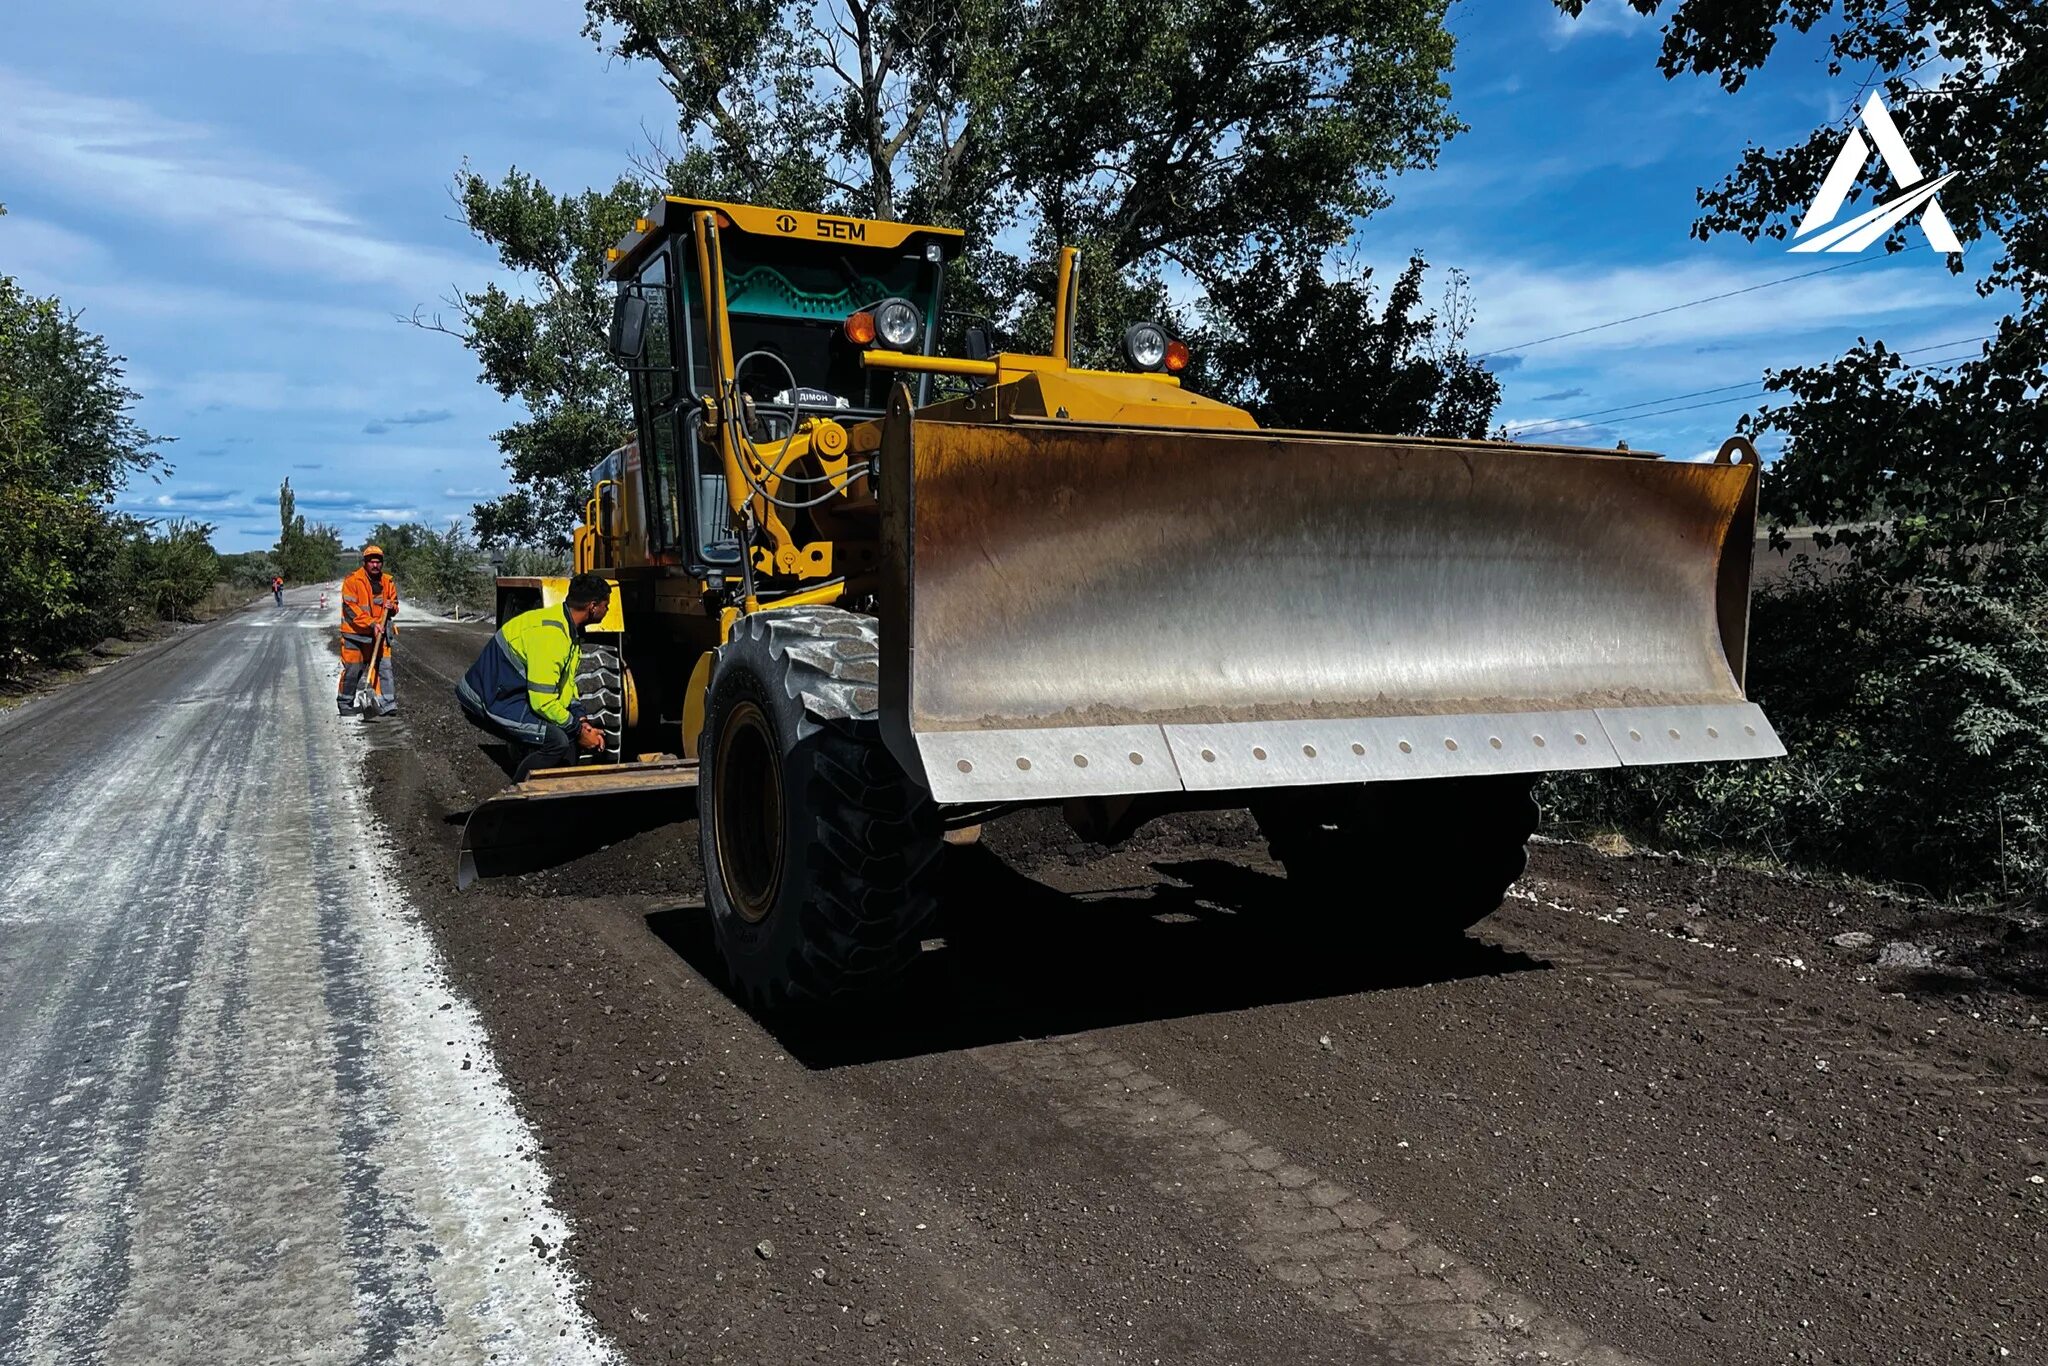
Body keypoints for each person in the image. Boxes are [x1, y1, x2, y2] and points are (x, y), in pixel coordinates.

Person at [456, 572, 610, 780]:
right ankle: (516, 802)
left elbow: (566, 687)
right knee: (557, 741)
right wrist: (579, 731)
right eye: (605, 605)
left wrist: (581, 721)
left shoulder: (569, 630)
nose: (607, 610)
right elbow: (543, 702)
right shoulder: (552, 636)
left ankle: (556, 801)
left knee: (569, 737)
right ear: (592, 606)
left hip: (511, 692)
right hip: (487, 697)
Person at [337, 545, 399, 717]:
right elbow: (351, 609)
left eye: (378, 561)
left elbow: (395, 605)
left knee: (385, 668)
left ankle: (387, 704)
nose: (375, 565)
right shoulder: (352, 581)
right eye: (371, 561)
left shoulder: (388, 581)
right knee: (353, 669)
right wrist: (372, 624)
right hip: (354, 634)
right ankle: (345, 703)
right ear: (365, 563)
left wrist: (391, 607)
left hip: (379, 635)